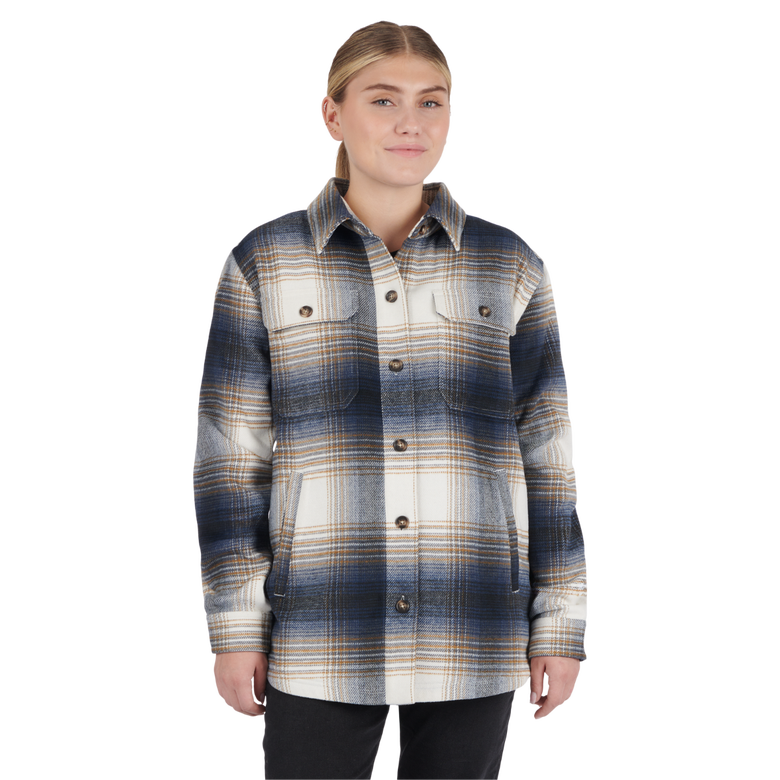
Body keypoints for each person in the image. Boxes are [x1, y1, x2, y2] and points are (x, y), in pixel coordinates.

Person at [194, 18, 588, 780]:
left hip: (474, 622)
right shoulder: (263, 261)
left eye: (430, 102)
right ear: (332, 114)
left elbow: (550, 458)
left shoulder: (510, 264)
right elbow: (230, 462)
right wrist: (235, 627)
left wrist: (560, 627)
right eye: (383, 99)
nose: (411, 122)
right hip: (319, 629)